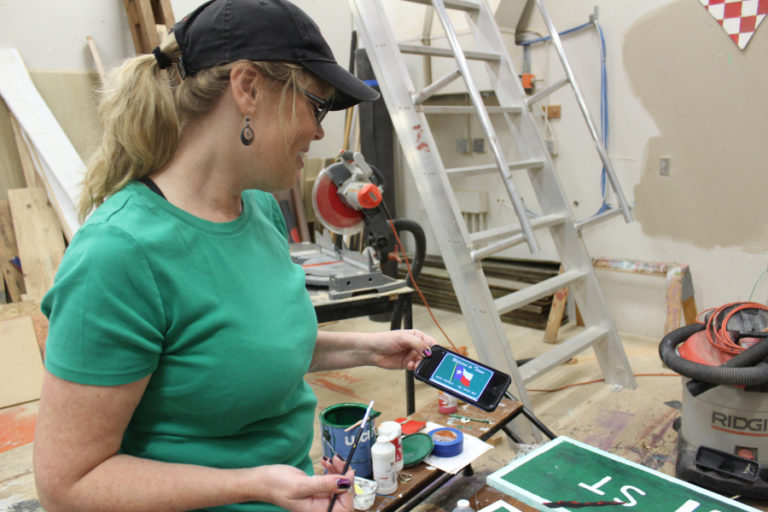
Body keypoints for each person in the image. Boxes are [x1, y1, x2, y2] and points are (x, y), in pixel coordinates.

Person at [33, 1, 437, 511]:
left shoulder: (260, 210)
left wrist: (366, 348)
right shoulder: (119, 255)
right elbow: (67, 486)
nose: (318, 132)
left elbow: (242, 350)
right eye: (317, 106)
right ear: (248, 88)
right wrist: (254, 484)